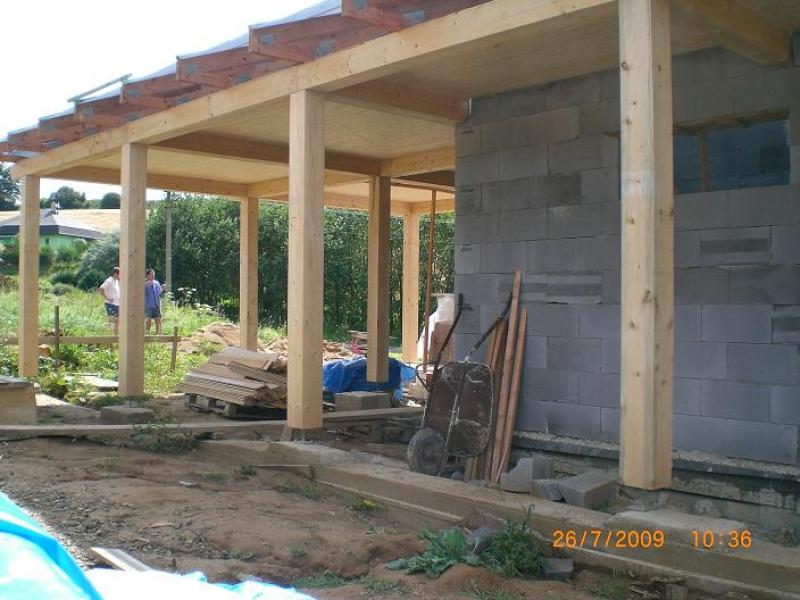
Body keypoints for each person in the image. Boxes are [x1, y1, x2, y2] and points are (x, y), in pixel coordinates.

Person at [98, 267, 120, 334]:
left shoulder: (117, 281)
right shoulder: (109, 281)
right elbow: (101, 289)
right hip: (110, 304)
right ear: (115, 274)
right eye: (120, 274)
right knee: (111, 321)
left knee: (117, 321)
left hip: (117, 304)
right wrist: (107, 298)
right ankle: (110, 335)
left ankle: (116, 336)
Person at [144, 268, 166, 334]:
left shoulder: (156, 283)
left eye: (153, 274)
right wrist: (145, 285)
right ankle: (146, 335)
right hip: (147, 306)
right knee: (148, 321)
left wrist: (162, 288)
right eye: (151, 274)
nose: (153, 276)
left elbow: (159, 293)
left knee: (158, 320)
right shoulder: (143, 283)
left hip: (156, 305)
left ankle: (158, 335)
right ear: (147, 275)